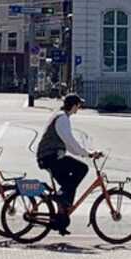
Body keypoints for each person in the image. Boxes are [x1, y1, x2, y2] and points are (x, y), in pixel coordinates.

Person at [35, 90, 93, 230]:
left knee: (69, 186)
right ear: (73, 106)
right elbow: (70, 141)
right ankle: (61, 199)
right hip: (50, 156)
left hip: (50, 156)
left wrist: (85, 154)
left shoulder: (61, 116)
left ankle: (61, 219)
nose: (79, 108)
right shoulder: (62, 118)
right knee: (82, 169)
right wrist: (87, 154)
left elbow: (69, 146)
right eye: (78, 105)